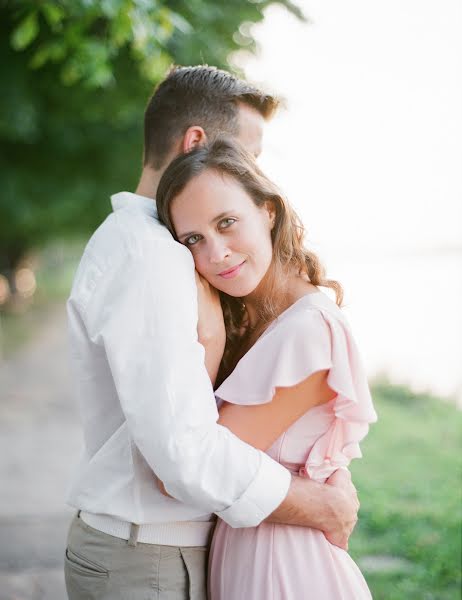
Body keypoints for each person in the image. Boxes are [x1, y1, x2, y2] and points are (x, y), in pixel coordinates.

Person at [64, 66, 361, 600]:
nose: (254, 171)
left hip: (160, 547)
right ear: (196, 143)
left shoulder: (146, 244)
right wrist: (320, 504)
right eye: (249, 153)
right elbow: (183, 454)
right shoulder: (155, 257)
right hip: (147, 552)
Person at [155, 137, 378, 599]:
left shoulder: (308, 331)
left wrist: (211, 340)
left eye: (227, 223)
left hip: (285, 569)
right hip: (253, 552)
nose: (216, 254)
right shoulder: (262, 320)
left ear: (269, 212)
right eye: (193, 239)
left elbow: (188, 472)